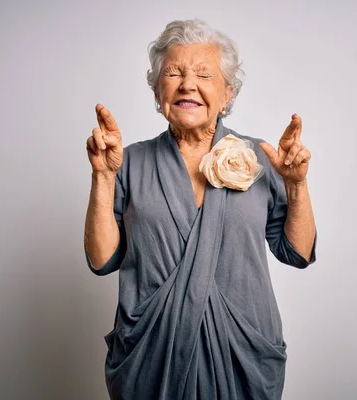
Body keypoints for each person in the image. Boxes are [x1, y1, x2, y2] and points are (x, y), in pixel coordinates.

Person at [84, 19, 317, 400]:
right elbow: (101, 259)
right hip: (151, 354)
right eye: (173, 73)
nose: (187, 84)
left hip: (242, 352)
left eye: (204, 75)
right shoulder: (127, 161)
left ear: (227, 95)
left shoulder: (262, 158)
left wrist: (296, 184)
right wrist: (103, 177)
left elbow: (298, 252)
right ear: (159, 92)